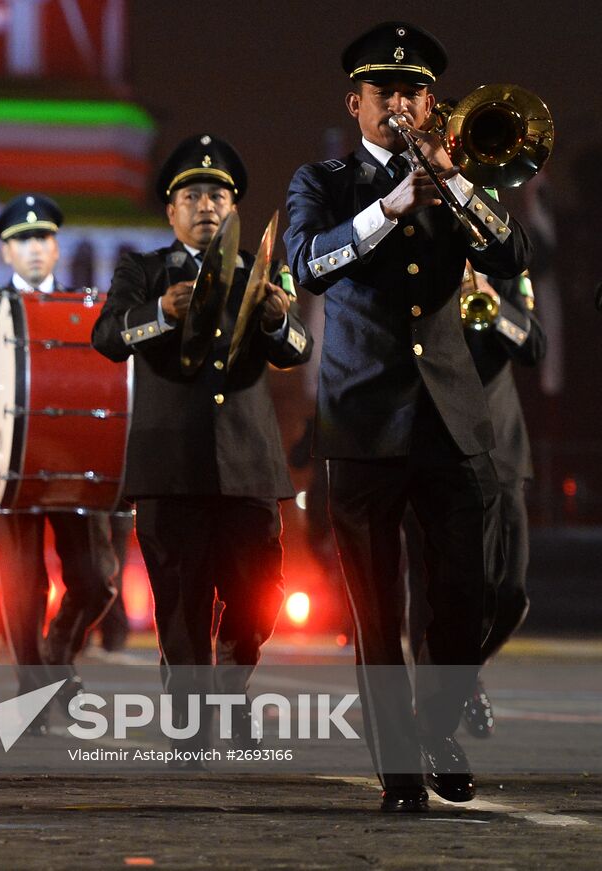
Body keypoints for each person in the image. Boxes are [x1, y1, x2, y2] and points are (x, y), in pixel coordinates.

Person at [284, 22, 529, 812]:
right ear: (354, 101)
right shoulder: (321, 180)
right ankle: (398, 768)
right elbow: (306, 265)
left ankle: (435, 724)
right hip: (362, 421)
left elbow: (511, 256)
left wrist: (453, 183)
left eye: (415, 91)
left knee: (470, 592)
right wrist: (387, 207)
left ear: (433, 104)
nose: (401, 104)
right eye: (385, 90)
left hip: (453, 419)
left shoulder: (460, 178)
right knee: (377, 607)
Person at [93, 134, 313, 764]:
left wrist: (275, 318)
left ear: (235, 205)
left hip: (248, 461)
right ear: (171, 211)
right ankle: (193, 724)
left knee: (260, 592)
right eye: (192, 194)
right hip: (171, 464)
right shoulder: (144, 270)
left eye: (218, 194)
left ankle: (231, 683)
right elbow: (107, 335)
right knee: (182, 602)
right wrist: (159, 313)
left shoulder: (263, 269)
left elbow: (297, 352)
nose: (206, 205)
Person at [0, 193, 117, 732]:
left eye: (42, 238)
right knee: (21, 588)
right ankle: (33, 692)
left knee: (96, 579)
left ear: (56, 247)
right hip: (5, 466)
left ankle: (55, 657)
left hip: (72, 461)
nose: (34, 249)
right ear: (7, 253)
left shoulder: (88, 309)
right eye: (21, 241)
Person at [405, 267, 545, 736]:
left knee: (511, 592)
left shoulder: (504, 262)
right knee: (432, 591)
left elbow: (533, 347)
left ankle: (459, 679)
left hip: (499, 450)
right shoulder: (415, 254)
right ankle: (431, 715)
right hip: (432, 443)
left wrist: (491, 299)